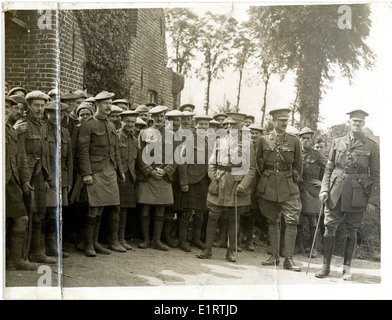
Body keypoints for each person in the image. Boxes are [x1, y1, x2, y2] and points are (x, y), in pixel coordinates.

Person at [316, 109, 380, 280]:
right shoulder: (337, 142)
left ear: (364, 124)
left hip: (357, 194)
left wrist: (373, 200)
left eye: (360, 121)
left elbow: (375, 175)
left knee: (351, 230)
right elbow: (329, 169)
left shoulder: (372, 146)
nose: (357, 124)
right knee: (329, 227)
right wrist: (324, 189)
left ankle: (346, 269)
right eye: (354, 121)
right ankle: (325, 267)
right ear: (349, 123)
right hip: (335, 191)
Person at [197, 114, 256, 262]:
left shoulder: (248, 144)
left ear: (241, 126)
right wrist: (214, 177)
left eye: (234, 125)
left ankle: (231, 251)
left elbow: (252, 169)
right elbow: (211, 163)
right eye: (228, 124)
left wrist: (243, 184)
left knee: (233, 219)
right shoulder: (219, 141)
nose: (230, 127)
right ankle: (208, 249)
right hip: (219, 183)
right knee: (212, 216)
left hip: (236, 185)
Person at [78, 91, 126, 257]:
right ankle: (88, 245)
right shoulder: (88, 124)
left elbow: (115, 151)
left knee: (104, 208)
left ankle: (97, 242)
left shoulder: (112, 125)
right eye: (105, 103)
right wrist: (87, 173)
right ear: (97, 105)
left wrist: (120, 170)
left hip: (110, 171)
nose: (108, 106)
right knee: (93, 209)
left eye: (110, 103)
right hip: (95, 170)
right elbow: (82, 152)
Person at [256, 107, 303, 271]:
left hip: (288, 186)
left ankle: (288, 259)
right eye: (281, 120)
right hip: (268, 185)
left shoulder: (294, 140)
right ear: (273, 121)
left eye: (286, 120)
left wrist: (290, 178)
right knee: (272, 220)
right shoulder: (263, 139)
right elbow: (258, 163)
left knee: (291, 221)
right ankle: (275, 256)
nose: (284, 123)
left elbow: (298, 165)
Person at [136, 105, 178, 251]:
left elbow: (175, 156)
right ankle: (146, 240)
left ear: (165, 117)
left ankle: (157, 241)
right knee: (145, 209)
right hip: (148, 176)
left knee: (161, 209)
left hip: (163, 177)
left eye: (161, 116)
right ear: (150, 118)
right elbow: (139, 155)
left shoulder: (172, 135)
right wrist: (150, 171)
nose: (159, 119)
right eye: (155, 116)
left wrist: (165, 171)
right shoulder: (143, 133)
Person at [22, 91, 56, 264]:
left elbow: (45, 154)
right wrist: (24, 179)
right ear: (28, 106)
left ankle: (36, 252)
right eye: (36, 105)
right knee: (26, 215)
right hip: (26, 175)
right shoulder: (23, 125)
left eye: (42, 106)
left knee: (39, 214)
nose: (40, 109)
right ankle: (23, 255)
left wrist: (47, 178)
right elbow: (18, 155)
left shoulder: (43, 126)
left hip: (40, 175)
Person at [5, 96, 36, 270]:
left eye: (8, 107)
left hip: (11, 181)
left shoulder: (11, 130)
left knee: (21, 218)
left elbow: (21, 158)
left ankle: (15, 259)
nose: (6, 110)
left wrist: (24, 180)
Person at [177, 115, 212, 252]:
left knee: (201, 212)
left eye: (206, 124)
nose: (204, 127)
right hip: (191, 181)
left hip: (205, 180)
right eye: (201, 124)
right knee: (186, 212)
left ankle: (195, 239)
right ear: (195, 125)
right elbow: (182, 161)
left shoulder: (209, 141)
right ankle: (182, 240)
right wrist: (184, 182)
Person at [44, 101, 73, 258]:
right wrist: (47, 177)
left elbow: (68, 159)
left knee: (57, 212)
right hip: (48, 176)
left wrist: (68, 180)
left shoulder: (65, 132)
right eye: (52, 113)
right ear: (47, 114)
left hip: (61, 176)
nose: (55, 116)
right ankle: (46, 247)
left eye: (59, 113)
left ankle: (54, 245)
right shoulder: (43, 130)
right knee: (48, 213)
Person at [296, 127, 327, 258]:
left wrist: (323, 183)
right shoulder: (295, 152)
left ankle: (313, 248)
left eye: (308, 138)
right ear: (300, 139)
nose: (305, 141)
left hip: (312, 190)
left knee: (312, 220)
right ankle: (299, 246)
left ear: (311, 140)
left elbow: (330, 168)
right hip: (297, 188)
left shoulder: (316, 154)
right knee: (296, 218)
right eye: (303, 138)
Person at [116, 109, 140, 250]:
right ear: (121, 122)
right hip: (118, 176)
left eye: (133, 122)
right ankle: (114, 239)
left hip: (130, 177)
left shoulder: (135, 140)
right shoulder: (116, 136)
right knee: (116, 209)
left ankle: (121, 238)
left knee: (124, 210)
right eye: (128, 122)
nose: (130, 125)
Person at [162, 109, 184, 248]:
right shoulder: (162, 135)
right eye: (171, 120)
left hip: (176, 177)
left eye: (177, 120)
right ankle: (159, 236)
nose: (175, 123)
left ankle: (167, 235)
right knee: (161, 207)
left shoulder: (183, 136)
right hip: (163, 174)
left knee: (172, 208)